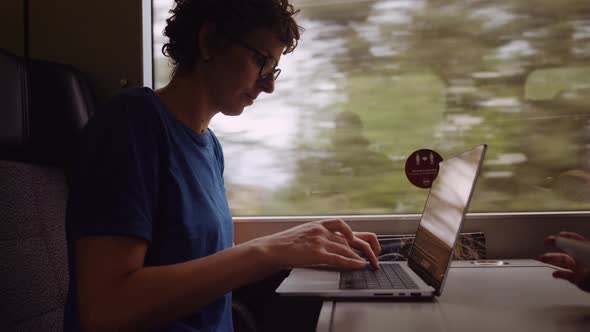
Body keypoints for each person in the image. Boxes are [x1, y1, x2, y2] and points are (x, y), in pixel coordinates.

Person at [63, 0, 381, 331]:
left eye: (273, 70)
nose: (269, 84)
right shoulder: (130, 126)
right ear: (210, 41)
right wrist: (270, 250)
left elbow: (208, 269)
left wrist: (303, 249)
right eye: (262, 62)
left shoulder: (210, 147)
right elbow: (105, 307)